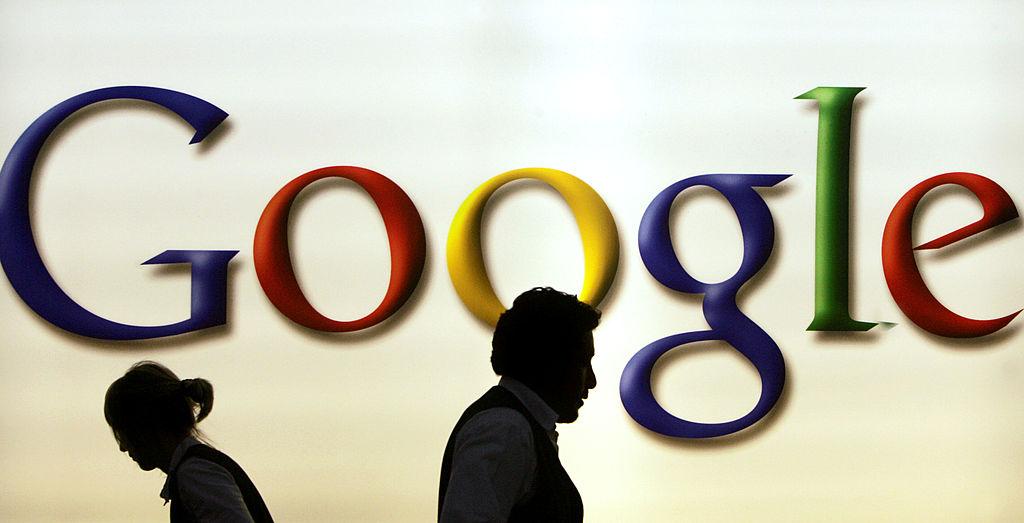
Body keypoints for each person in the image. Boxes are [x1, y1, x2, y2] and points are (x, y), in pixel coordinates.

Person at [438, 287, 600, 522]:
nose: (592, 381)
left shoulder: (514, 427)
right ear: (551, 362)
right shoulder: (506, 428)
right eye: (583, 363)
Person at [104, 361, 274, 522]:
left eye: (124, 432)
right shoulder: (197, 469)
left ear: (146, 424)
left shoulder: (195, 473)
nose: (123, 447)